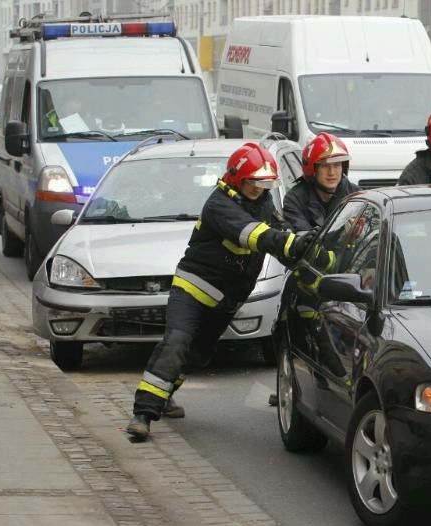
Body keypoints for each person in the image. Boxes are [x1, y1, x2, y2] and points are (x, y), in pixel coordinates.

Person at [126, 143, 313, 440]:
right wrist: (287, 242)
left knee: (198, 356)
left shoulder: (263, 201)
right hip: (192, 290)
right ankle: (143, 415)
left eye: (266, 184)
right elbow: (253, 235)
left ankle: (164, 395)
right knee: (176, 342)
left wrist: (306, 248)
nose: (260, 189)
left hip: (225, 300)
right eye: (255, 182)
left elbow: (281, 233)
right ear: (238, 179)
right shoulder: (219, 205)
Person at [283, 132, 361, 232]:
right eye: (324, 166)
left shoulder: (356, 196)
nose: (332, 172)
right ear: (313, 170)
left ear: (343, 167)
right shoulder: (295, 200)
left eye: (337, 165)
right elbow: (305, 242)